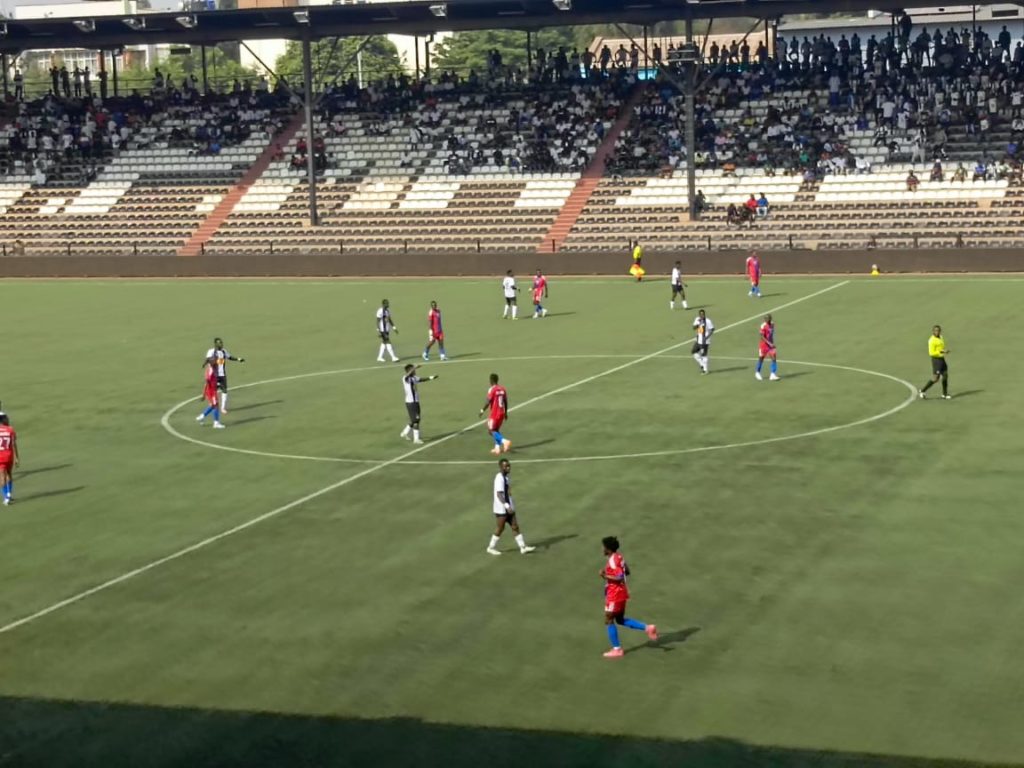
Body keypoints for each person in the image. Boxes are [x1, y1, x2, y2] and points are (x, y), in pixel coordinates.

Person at [600, 536, 657, 658]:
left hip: (614, 595)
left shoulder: (612, 561)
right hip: (621, 593)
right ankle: (648, 628)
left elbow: (620, 577)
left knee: (609, 620)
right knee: (619, 619)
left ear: (608, 549)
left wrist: (605, 576)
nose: (602, 549)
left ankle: (617, 650)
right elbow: (627, 571)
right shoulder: (619, 557)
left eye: (604, 547)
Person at [486, 459, 536, 556]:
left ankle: (523, 547)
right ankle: (491, 547)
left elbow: (506, 492)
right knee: (500, 528)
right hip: (501, 508)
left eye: (509, 465)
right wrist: (506, 505)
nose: (508, 467)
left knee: (515, 526)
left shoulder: (506, 478)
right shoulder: (499, 478)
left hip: (509, 507)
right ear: (501, 467)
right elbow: (499, 494)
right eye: (506, 466)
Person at [204, 337, 245, 413]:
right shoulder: (211, 351)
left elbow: (229, 357)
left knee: (224, 390)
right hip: (214, 375)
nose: (221, 344)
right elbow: (208, 360)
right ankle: (211, 402)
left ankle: (223, 407)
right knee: (213, 390)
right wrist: (207, 363)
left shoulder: (223, 351)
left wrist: (238, 359)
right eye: (219, 343)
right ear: (215, 344)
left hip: (222, 374)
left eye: (221, 342)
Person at [401, 364, 438, 444]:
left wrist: (431, 377)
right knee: (416, 420)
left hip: (416, 402)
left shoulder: (414, 378)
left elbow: (422, 379)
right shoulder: (405, 378)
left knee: (414, 419)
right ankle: (416, 439)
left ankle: (404, 433)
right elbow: (408, 375)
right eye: (413, 370)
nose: (415, 371)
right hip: (411, 402)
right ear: (409, 370)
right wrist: (415, 367)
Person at [479, 373, 511, 455]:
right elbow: (505, 402)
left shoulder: (492, 389)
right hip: (501, 413)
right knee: (496, 430)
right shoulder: (503, 389)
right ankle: (497, 448)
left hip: (494, 414)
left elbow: (488, 401)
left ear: (491, 380)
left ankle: (504, 441)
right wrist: (506, 413)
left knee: (491, 430)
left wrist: (482, 410)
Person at [919, 325, 951, 399]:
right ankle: (922, 390)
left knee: (945, 375)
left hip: (942, 359)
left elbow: (941, 347)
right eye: (935, 330)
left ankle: (944, 394)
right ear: (933, 331)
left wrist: (943, 351)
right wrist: (942, 352)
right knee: (936, 378)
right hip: (936, 360)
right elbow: (931, 353)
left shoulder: (941, 337)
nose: (937, 332)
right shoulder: (931, 340)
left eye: (938, 330)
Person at [196, 357, 226, 429]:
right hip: (211, 391)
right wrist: (203, 394)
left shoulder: (213, 366)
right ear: (211, 363)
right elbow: (206, 383)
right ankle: (216, 423)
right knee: (216, 405)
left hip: (213, 390)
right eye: (214, 361)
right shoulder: (210, 371)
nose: (216, 362)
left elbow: (222, 361)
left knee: (213, 405)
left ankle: (202, 416)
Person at [0, 411, 20, 505]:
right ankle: (9, 494)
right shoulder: (10, 430)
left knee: (2, 477)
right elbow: (13, 444)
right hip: (9, 456)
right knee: (9, 474)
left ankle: (6, 497)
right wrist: (17, 457)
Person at [755, 314, 780, 381]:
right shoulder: (763, 326)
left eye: (768, 318)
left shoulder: (772, 324)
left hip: (770, 345)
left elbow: (771, 335)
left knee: (774, 358)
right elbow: (762, 337)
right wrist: (769, 343)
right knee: (761, 359)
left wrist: (772, 343)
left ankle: (772, 374)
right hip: (764, 345)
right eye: (765, 319)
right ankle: (757, 372)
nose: (766, 320)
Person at [692, 309, 714, 374]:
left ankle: (705, 370)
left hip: (705, 341)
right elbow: (693, 328)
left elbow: (712, 330)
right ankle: (701, 363)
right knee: (694, 351)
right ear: (699, 315)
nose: (702, 315)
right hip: (698, 339)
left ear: (704, 314)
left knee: (704, 355)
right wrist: (698, 324)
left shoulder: (708, 321)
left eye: (703, 314)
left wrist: (706, 338)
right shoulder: (697, 319)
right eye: (700, 314)